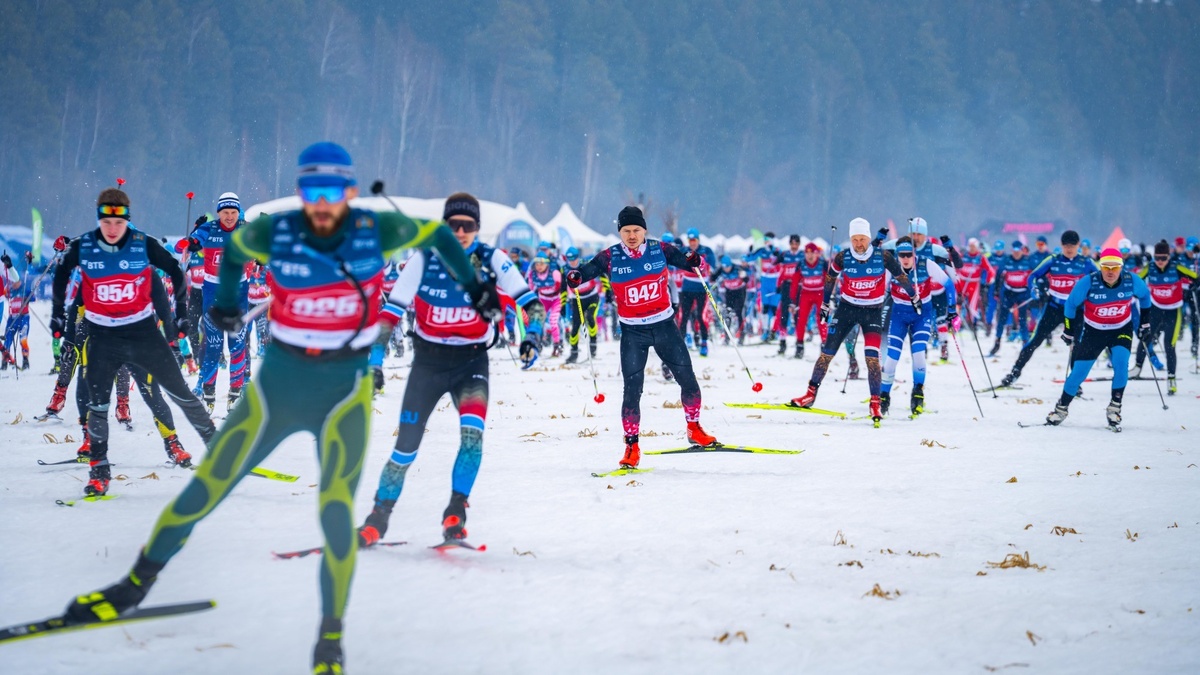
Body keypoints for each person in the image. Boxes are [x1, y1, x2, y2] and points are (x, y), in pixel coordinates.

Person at [61, 143, 499, 674]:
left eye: (333, 193)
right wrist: (224, 299)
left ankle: (329, 642)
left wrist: (475, 285)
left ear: (350, 194)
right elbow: (239, 244)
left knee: (334, 514)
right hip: (280, 387)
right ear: (300, 193)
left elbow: (433, 235)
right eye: (312, 192)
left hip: (344, 392)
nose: (321, 204)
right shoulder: (279, 231)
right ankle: (133, 586)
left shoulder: (373, 229)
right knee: (206, 488)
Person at [358, 192, 542, 549]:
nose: (460, 232)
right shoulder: (423, 260)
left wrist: (532, 337)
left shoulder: (493, 260)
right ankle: (377, 518)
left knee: (472, 438)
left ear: (477, 229)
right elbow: (389, 315)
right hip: (428, 364)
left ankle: (456, 513)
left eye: (468, 226)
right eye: (453, 225)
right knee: (405, 449)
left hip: (471, 363)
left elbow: (530, 304)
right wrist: (375, 362)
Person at [49, 188, 216, 496]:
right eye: (106, 222)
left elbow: (176, 273)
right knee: (97, 404)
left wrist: (180, 318)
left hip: (142, 334)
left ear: (127, 220)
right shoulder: (85, 246)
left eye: (119, 222)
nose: (112, 230)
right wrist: (58, 316)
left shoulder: (143, 244)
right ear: (99, 219)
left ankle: (216, 450)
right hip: (102, 337)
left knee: (177, 391)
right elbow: (61, 274)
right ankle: (99, 471)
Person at [567, 206, 717, 468]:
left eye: (636, 230)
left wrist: (695, 260)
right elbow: (586, 271)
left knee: (688, 380)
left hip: (665, 327)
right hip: (633, 332)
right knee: (632, 392)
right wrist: (576, 276)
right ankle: (631, 447)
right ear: (620, 232)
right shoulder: (610, 256)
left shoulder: (660, 249)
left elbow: (690, 262)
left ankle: (694, 428)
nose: (632, 235)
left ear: (644, 230)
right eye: (626, 231)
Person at [791, 218, 917, 425]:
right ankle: (810, 394)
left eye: (862, 239)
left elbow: (901, 277)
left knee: (872, 358)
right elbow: (830, 279)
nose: (858, 243)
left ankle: (875, 402)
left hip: (872, 311)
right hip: (846, 309)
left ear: (868, 238)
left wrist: (914, 296)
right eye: (855, 239)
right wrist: (824, 304)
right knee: (827, 352)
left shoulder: (883, 257)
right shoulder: (843, 257)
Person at [1047, 248, 1150, 429]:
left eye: (1115, 267)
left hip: (1121, 329)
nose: (1110, 271)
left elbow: (1145, 296)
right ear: (1100, 266)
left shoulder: (1131, 280)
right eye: (1106, 266)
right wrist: (1069, 330)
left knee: (1121, 364)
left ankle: (1114, 409)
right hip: (1094, 331)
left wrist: (1145, 323)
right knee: (1079, 373)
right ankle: (1061, 409)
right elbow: (1070, 305)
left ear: (1121, 267)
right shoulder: (1089, 282)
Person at [175, 192, 251, 412]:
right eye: (225, 212)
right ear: (219, 213)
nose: (229, 217)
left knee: (237, 345)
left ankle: (235, 395)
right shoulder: (210, 228)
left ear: (239, 213)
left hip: (239, 291)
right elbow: (184, 247)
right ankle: (209, 395)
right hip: (212, 291)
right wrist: (188, 243)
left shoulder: (246, 229)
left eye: (233, 213)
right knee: (214, 346)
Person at [1000, 230, 1097, 387]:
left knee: (1077, 346)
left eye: (1072, 246)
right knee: (1035, 341)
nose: (1069, 249)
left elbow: (1101, 279)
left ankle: (1074, 383)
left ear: (1078, 245)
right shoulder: (1054, 260)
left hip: (1076, 311)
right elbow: (1032, 276)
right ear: (1061, 245)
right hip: (1054, 308)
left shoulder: (1086, 263)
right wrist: (1034, 289)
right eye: (1066, 246)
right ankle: (1014, 373)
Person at [880, 237, 956, 417]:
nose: (905, 258)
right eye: (901, 255)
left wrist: (951, 309)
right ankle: (884, 395)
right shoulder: (892, 268)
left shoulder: (926, 264)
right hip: (899, 315)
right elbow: (881, 291)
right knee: (892, 357)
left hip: (922, 314)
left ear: (915, 253)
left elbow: (949, 284)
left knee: (919, 353)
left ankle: (917, 392)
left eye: (908, 254)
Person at [1131, 240, 1198, 394]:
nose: (1160, 262)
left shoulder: (1176, 267)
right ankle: (1137, 368)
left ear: (1169, 257)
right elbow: (1136, 279)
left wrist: (1195, 284)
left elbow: (1195, 276)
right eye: (1157, 258)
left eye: (1163, 258)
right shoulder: (1151, 267)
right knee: (1145, 338)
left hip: (1173, 311)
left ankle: (1171, 378)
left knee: (1169, 344)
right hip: (1155, 308)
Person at [988, 240, 1037, 355]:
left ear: (1022, 250)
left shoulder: (1027, 261)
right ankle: (997, 342)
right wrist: (996, 291)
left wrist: (1037, 288)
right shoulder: (1007, 260)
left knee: (1022, 319)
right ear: (1011, 250)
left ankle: (1025, 343)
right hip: (1009, 292)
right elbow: (998, 275)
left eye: (1018, 250)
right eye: (1014, 250)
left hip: (1022, 293)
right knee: (1002, 318)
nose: (1016, 253)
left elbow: (1037, 274)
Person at [676, 227, 717, 356]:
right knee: (684, 316)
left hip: (702, 288)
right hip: (687, 287)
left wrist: (701, 263)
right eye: (690, 240)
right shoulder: (684, 250)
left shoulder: (706, 250)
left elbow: (712, 266)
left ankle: (704, 342)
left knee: (701, 316)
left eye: (694, 240)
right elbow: (677, 261)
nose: (692, 243)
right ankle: (681, 344)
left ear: (698, 240)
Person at [789, 242, 828, 360]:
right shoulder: (801, 264)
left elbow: (831, 280)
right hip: (806, 293)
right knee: (801, 319)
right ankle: (799, 346)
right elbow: (795, 283)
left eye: (812, 253)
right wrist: (792, 300)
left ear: (817, 254)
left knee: (822, 320)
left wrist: (830, 296)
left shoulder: (823, 263)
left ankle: (825, 347)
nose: (810, 256)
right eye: (807, 253)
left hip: (821, 294)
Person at [563, 246, 600, 364]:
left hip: (592, 296)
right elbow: (562, 288)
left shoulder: (585, 265)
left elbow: (601, 274)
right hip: (576, 298)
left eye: (574, 258)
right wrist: (563, 304)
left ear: (578, 257)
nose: (572, 261)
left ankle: (593, 344)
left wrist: (609, 292)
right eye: (569, 259)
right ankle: (573, 353)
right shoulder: (564, 269)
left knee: (589, 317)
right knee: (575, 326)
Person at [773, 234, 806, 356]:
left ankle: (799, 345)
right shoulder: (785, 255)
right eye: (792, 243)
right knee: (783, 314)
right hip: (786, 285)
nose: (794, 246)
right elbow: (778, 267)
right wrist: (778, 285)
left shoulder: (803, 255)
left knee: (798, 315)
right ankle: (782, 342)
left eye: (796, 244)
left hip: (798, 287)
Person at [747, 232, 783, 342]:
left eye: (768, 240)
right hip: (765, 280)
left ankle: (774, 331)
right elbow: (750, 258)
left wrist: (777, 255)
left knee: (774, 308)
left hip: (775, 280)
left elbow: (783, 258)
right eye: (765, 240)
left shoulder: (777, 251)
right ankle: (765, 331)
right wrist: (751, 251)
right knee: (765, 308)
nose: (766, 242)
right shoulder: (762, 251)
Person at [527, 254, 564, 357]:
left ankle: (557, 345)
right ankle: (537, 344)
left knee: (553, 321)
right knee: (538, 322)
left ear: (547, 264)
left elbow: (563, 286)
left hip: (556, 300)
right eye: (537, 264)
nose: (539, 266)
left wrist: (566, 299)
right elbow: (530, 288)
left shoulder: (554, 273)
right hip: (543, 300)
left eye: (542, 264)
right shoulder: (532, 274)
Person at [1, 251, 33, 370]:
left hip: (23, 317)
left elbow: (33, 297)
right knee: (7, 339)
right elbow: (4, 294)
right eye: (13, 282)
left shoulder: (24, 289)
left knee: (23, 339)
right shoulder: (9, 290)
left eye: (16, 282)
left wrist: (27, 299)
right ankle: (5, 361)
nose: (15, 284)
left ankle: (25, 360)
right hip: (12, 318)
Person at [956, 238, 994, 331]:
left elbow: (990, 270)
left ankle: (972, 324)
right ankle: (956, 323)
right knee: (958, 302)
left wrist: (989, 280)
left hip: (974, 283)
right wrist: (956, 276)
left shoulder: (980, 257)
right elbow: (956, 266)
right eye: (970, 246)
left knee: (973, 304)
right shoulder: (964, 255)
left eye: (974, 247)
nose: (972, 248)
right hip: (963, 281)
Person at [711, 255, 749, 343]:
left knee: (738, 312)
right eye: (725, 267)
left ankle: (741, 336)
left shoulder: (737, 268)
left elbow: (747, 280)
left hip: (740, 292)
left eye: (728, 267)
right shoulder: (721, 269)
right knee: (727, 313)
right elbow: (713, 278)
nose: (726, 269)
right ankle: (727, 337)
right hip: (729, 292)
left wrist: (744, 276)